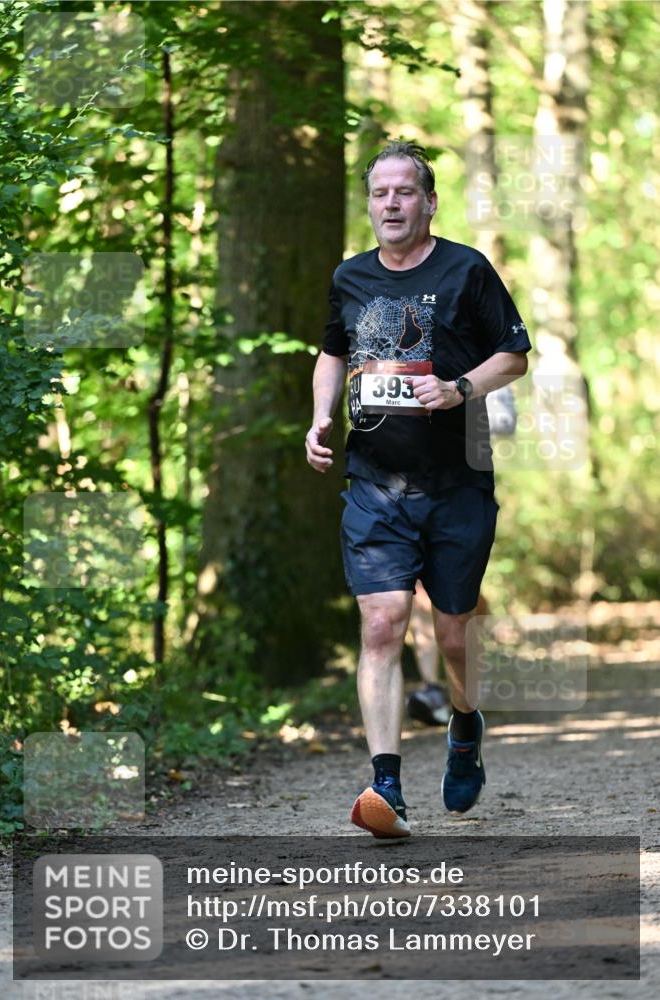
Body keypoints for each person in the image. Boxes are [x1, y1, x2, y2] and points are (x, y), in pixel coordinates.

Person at [305, 140, 531, 839]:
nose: (392, 203)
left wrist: (459, 386)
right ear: (369, 204)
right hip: (374, 482)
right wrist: (319, 416)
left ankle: (464, 725)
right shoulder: (348, 278)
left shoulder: (467, 270)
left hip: (457, 480)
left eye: (405, 191)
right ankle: (386, 787)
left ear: (428, 202)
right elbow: (332, 352)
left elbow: (514, 355)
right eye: (380, 193)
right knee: (381, 622)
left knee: (454, 630)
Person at [407, 386, 516, 726]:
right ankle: (431, 687)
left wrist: (454, 400)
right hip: (408, 487)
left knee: (461, 600)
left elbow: (505, 421)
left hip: (466, 491)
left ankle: (467, 690)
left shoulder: (485, 356)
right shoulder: (406, 353)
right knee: (417, 591)